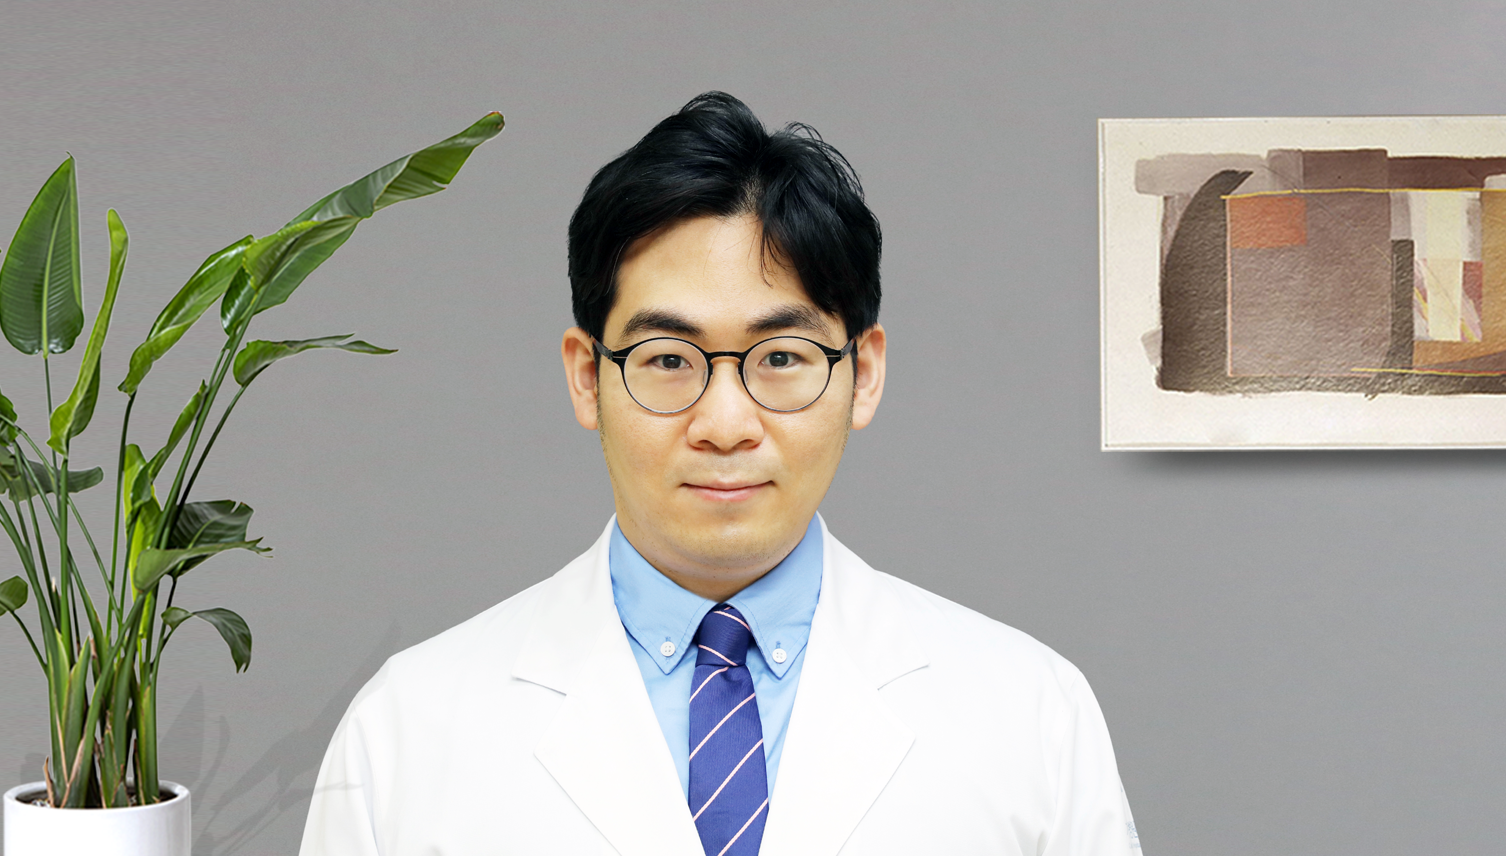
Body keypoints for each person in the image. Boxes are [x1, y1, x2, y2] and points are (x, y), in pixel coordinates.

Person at [299, 92, 1140, 856]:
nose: (726, 424)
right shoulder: (406, 730)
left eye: (782, 356)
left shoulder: (1030, 713)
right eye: (669, 359)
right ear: (587, 377)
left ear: (864, 374)